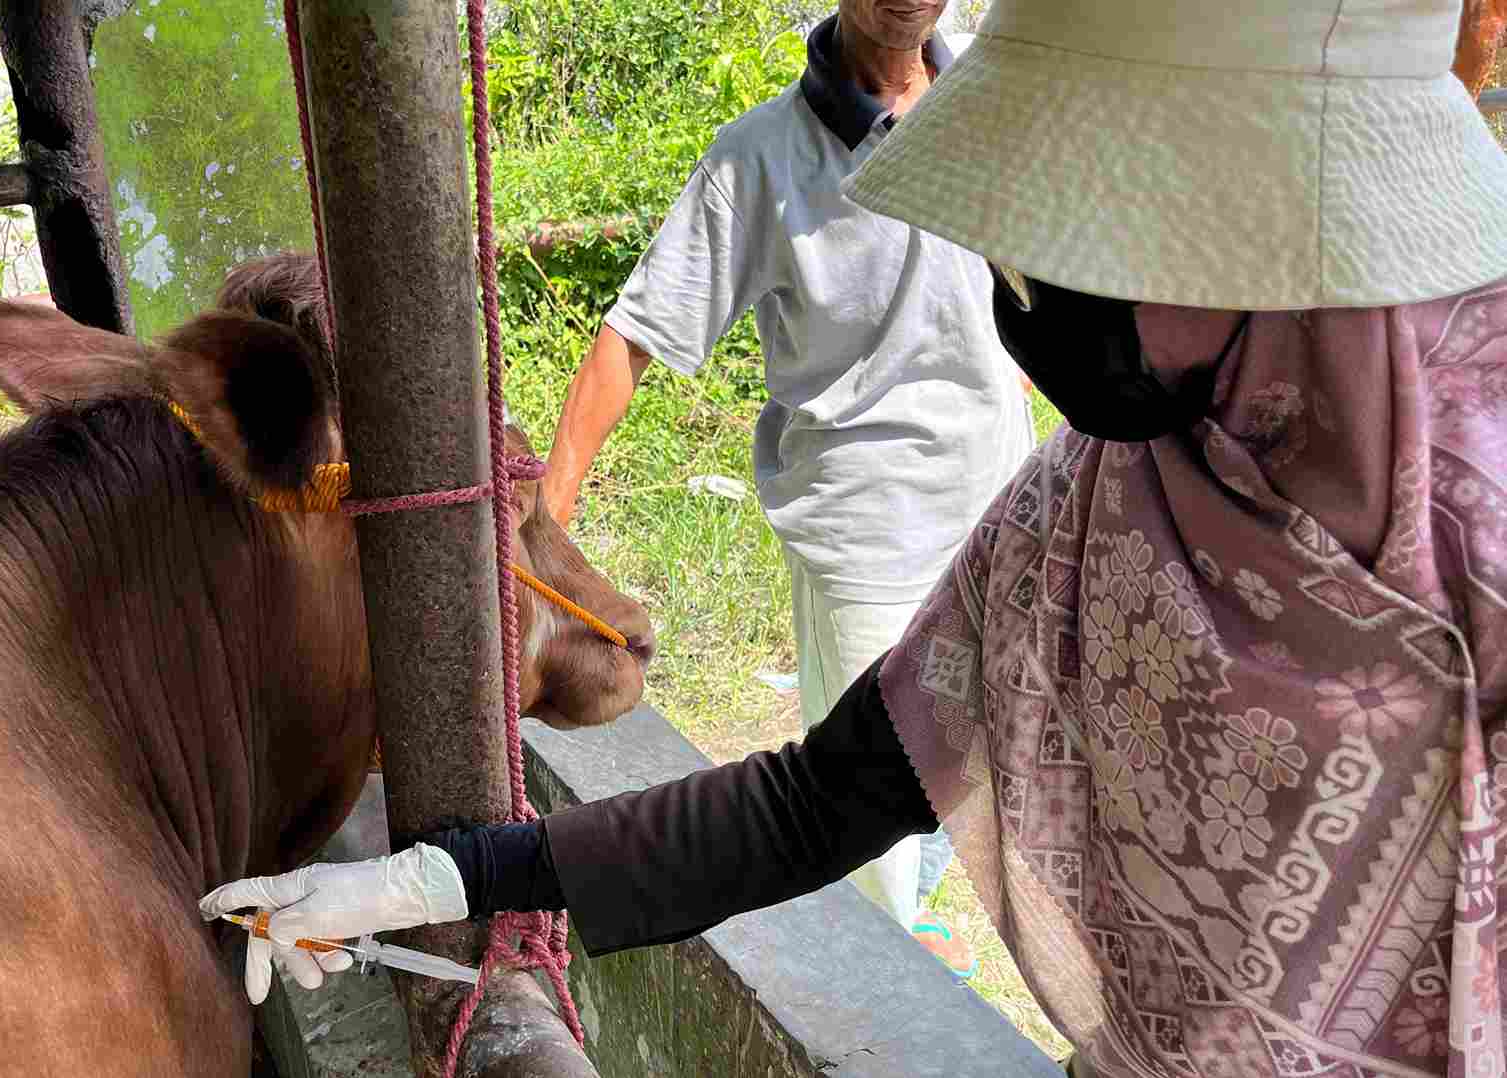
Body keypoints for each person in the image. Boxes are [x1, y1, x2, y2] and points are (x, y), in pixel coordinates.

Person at [203, 0, 1507, 1074]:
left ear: (1272, 227)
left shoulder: (1479, 521)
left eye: (1086, 232)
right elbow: (819, 798)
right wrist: (444, 880)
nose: (1026, 293)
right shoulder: (1086, 502)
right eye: (1023, 234)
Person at [537, 0, 1035, 965]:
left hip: (1000, 496)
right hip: (865, 529)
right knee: (865, 803)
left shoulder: (993, 81)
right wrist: (542, 528)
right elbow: (631, 338)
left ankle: (917, 918)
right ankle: (894, 982)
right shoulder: (756, 159)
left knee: (987, 738)